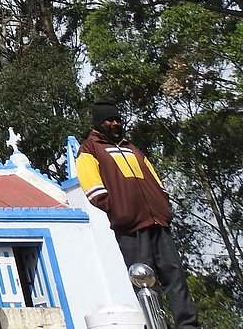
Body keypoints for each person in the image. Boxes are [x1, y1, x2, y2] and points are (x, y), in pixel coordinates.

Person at [76, 99, 201, 328]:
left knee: (175, 276)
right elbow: (92, 188)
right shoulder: (90, 149)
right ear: (99, 123)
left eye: (117, 119)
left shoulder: (132, 148)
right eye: (109, 120)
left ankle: (188, 324)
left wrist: (162, 204)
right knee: (144, 280)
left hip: (158, 221)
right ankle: (155, 324)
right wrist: (119, 208)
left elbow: (155, 180)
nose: (114, 124)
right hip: (130, 226)